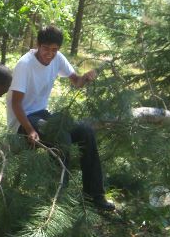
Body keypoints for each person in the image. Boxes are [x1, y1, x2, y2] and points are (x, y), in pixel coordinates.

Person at [7, 25, 115, 211]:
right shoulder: (25, 64)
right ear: (38, 45)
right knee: (61, 138)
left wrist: (86, 77)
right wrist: (30, 130)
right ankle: (57, 202)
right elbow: (16, 104)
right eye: (46, 48)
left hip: (42, 114)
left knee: (86, 132)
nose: (50, 54)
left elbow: (77, 82)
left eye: (54, 49)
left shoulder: (58, 58)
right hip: (22, 120)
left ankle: (94, 196)